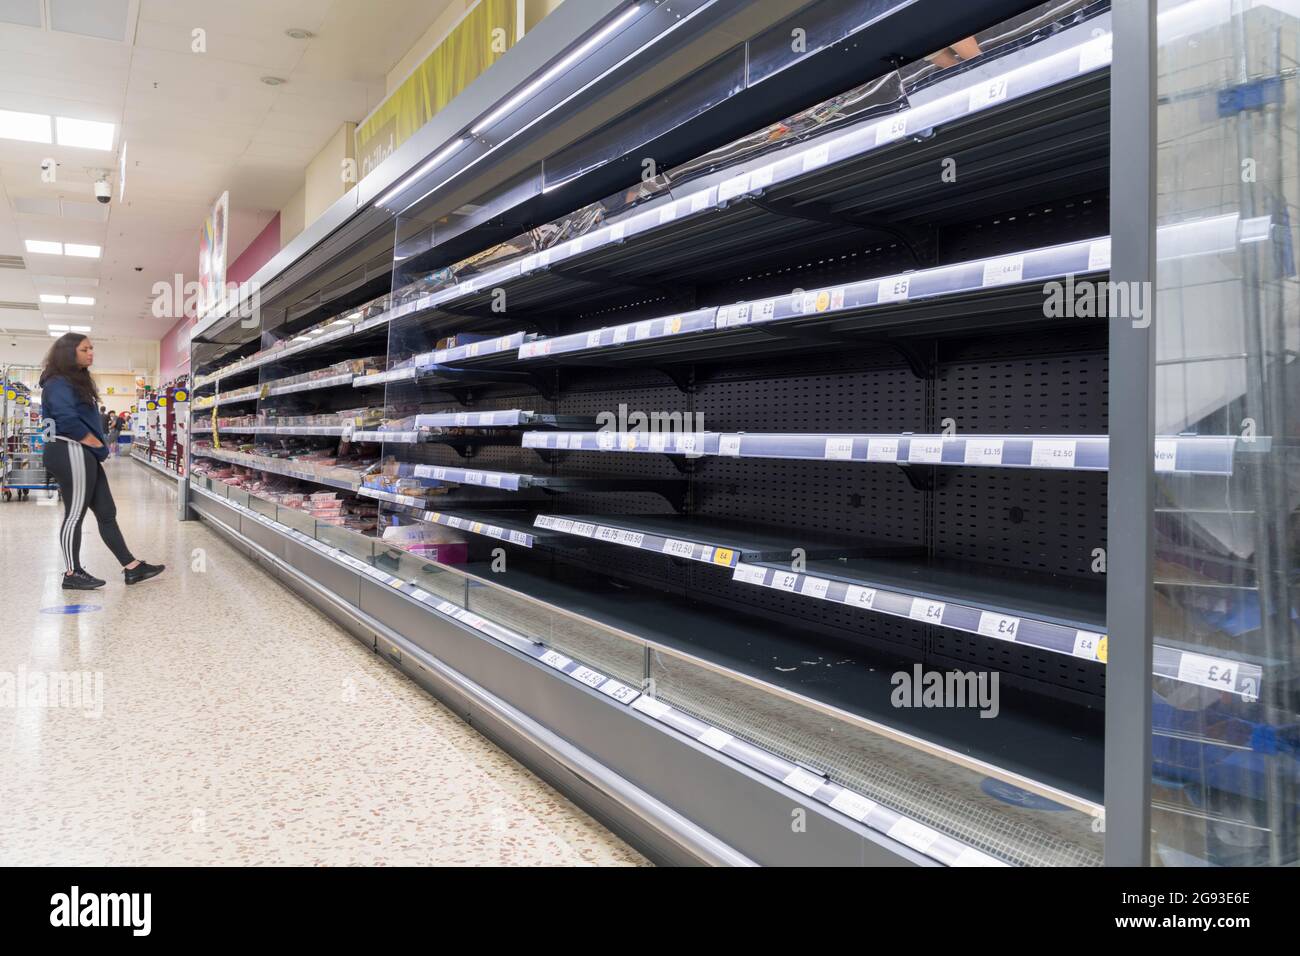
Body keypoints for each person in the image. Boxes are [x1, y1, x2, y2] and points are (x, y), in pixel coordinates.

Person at [40, 333, 164, 590]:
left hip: (81, 453)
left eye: (92, 348)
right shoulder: (57, 382)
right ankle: (72, 573)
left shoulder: (75, 381)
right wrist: (96, 443)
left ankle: (131, 567)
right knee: (75, 513)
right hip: (69, 449)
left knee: (106, 511)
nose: (91, 353)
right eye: (85, 349)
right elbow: (66, 420)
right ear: (68, 352)